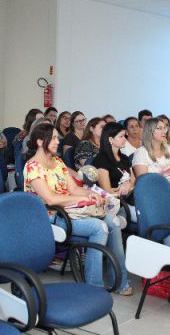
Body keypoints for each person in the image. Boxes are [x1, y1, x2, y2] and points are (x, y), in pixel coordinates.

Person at [24, 123, 131, 295]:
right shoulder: (33, 167)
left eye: (56, 137)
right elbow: (50, 199)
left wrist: (91, 194)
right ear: (38, 142)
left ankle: (120, 282)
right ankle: (93, 288)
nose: (57, 141)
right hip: (51, 216)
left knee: (113, 221)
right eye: (52, 138)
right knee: (99, 227)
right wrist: (81, 198)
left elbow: (74, 189)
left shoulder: (57, 162)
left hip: (71, 211)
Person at [132, 118, 170, 190]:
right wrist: (169, 182)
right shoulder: (141, 153)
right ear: (150, 131)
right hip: (155, 192)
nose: (164, 131)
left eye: (164, 128)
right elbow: (144, 182)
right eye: (159, 128)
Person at [94, 122, 135, 197]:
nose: (125, 139)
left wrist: (128, 185)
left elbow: (133, 180)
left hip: (131, 196)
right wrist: (127, 189)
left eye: (125, 136)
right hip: (117, 202)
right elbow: (107, 191)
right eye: (121, 136)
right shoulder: (101, 160)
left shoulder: (124, 158)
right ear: (111, 139)